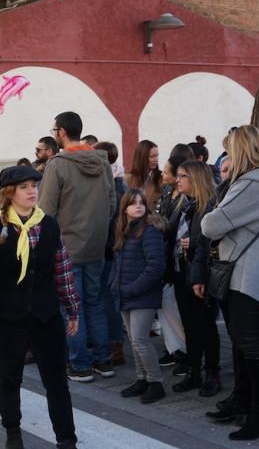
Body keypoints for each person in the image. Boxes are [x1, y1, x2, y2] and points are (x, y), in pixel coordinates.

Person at [0, 166, 99, 449]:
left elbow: (62, 270)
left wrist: (72, 308)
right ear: (9, 193)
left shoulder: (49, 225)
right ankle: (13, 434)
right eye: (24, 187)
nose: (32, 191)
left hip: (46, 315)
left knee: (57, 383)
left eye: (34, 185)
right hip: (6, 317)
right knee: (10, 379)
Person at [202, 126, 259, 440]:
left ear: (241, 151)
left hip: (248, 272)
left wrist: (216, 211)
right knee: (248, 342)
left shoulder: (251, 184)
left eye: (230, 150)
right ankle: (249, 406)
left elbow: (211, 225)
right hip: (257, 269)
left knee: (250, 344)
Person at [38, 111, 116, 382]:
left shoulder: (57, 165)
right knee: (95, 303)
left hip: (66, 248)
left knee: (72, 308)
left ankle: (80, 364)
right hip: (96, 245)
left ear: (61, 132)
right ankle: (103, 360)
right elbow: (112, 203)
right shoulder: (102, 161)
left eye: (54, 130)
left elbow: (45, 213)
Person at [110, 189, 167, 403]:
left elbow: (156, 267)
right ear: (124, 208)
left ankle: (156, 383)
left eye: (141, 203)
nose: (138, 206)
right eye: (133, 203)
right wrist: (114, 284)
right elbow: (117, 262)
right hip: (125, 294)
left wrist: (132, 289)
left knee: (141, 339)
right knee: (134, 340)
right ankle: (142, 379)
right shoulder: (124, 231)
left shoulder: (149, 232)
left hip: (142, 295)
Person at [171, 160, 221, 397]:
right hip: (181, 270)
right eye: (178, 175)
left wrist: (194, 242)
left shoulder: (208, 206)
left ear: (196, 179)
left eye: (183, 176)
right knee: (189, 325)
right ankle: (193, 371)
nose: (177, 180)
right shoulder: (182, 204)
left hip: (201, 273)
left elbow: (211, 239)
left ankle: (212, 373)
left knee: (206, 325)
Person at [155, 155, 189, 376]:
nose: (163, 174)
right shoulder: (167, 192)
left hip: (177, 260)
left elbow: (174, 226)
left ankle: (185, 351)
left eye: (167, 171)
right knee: (166, 306)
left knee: (177, 310)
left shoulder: (184, 199)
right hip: (166, 256)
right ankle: (174, 348)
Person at [94, 141, 126, 365]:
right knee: (106, 298)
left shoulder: (112, 183)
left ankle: (115, 346)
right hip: (110, 247)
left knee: (107, 299)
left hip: (108, 248)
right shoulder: (115, 181)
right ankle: (113, 344)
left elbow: (110, 218)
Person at [126, 140, 162, 211]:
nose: (156, 159)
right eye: (152, 156)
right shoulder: (128, 179)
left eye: (157, 156)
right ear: (142, 158)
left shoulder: (161, 179)